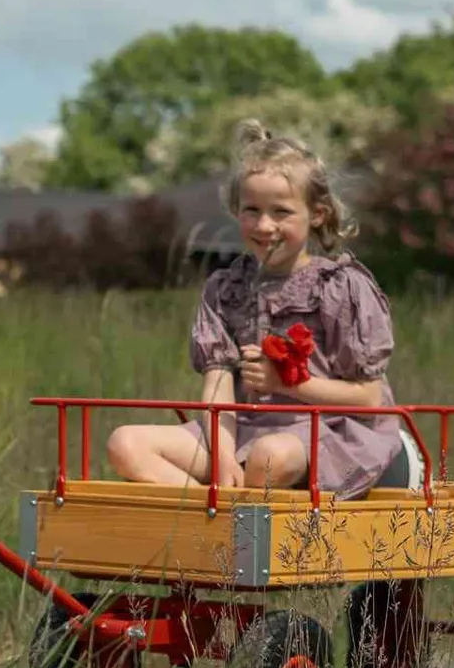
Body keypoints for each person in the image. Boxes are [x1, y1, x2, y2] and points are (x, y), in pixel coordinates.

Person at [105, 120, 402, 498]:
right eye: (252, 210)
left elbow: (368, 398)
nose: (264, 225)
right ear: (236, 210)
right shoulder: (224, 288)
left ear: (317, 215)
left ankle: (230, 515)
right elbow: (217, 383)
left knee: (268, 458)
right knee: (125, 444)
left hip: (329, 431)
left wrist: (286, 384)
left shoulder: (342, 286)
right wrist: (224, 457)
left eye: (281, 212)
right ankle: (217, 514)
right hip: (244, 428)